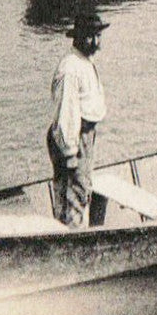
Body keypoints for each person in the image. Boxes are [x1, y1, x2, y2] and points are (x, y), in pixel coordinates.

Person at [48, 12, 108, 228]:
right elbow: (66, 114)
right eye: (91, 36)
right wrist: (70, 153)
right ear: (79, 37)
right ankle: (72, 236)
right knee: (74, 193)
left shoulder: (84, 62)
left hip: (85, 136)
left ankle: (73, 230)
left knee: (81, 190)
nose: (96, 42)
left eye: (98, 36)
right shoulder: (70, 68)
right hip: (74, 138)